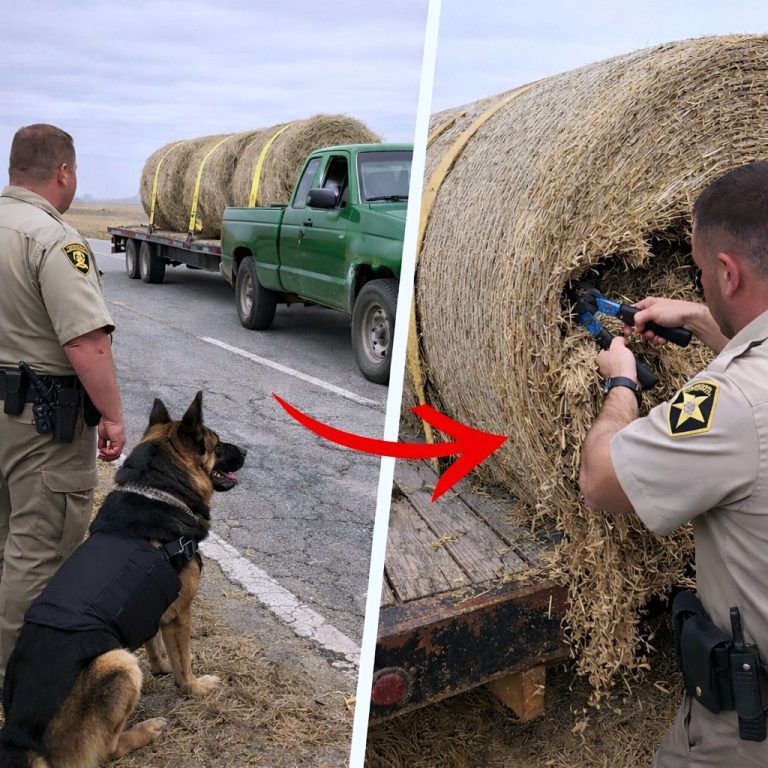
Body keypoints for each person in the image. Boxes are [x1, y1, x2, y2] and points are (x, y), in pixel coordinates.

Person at [579, 160, 768, 766]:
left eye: (700, 268)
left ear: (727, 272)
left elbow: (602, 481)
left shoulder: (732, 403)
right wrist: (692, 315)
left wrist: (622, 384)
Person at [0, 124, 125, 677]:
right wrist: (114, 417)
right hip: (40, 424)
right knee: (39, 552)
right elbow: (86, 341)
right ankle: (22, 681)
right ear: (63, 172)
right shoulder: (54, 239)